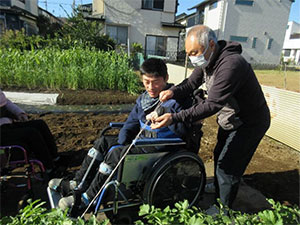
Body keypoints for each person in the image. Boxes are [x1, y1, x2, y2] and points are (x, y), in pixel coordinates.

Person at [151, 25, 270, 213]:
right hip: (231, 118)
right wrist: (172, 91)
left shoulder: (231, 64)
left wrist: (174, 118)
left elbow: (211, 105)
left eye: (194, 52)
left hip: (249, 121)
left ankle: (223, 209)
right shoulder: (207, 61)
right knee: (219, 153)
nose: (192, 58)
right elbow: (190, 84)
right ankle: (220, 189)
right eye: (188, 53)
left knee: (228, 165)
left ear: (211, 45)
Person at [50, 58, 197, 210]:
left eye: (156, 82)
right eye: (146, 82)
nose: (151, 87)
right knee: (104, 142)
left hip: (160, 147)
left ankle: (89, 198)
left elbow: (182, 133)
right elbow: (131, 123)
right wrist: (121, 142)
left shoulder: (176, 100)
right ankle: (79, 182)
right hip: (141, 141)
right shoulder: (144, 100)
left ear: (166, 78)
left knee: (116, 154)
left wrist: (166, 114)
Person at [0, 89, 60, 176]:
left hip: (6, 125)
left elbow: (5, 102)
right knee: (31, 133)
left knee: (40, 124)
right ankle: (48, 168)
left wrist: (18, 113)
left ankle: (55, 158)